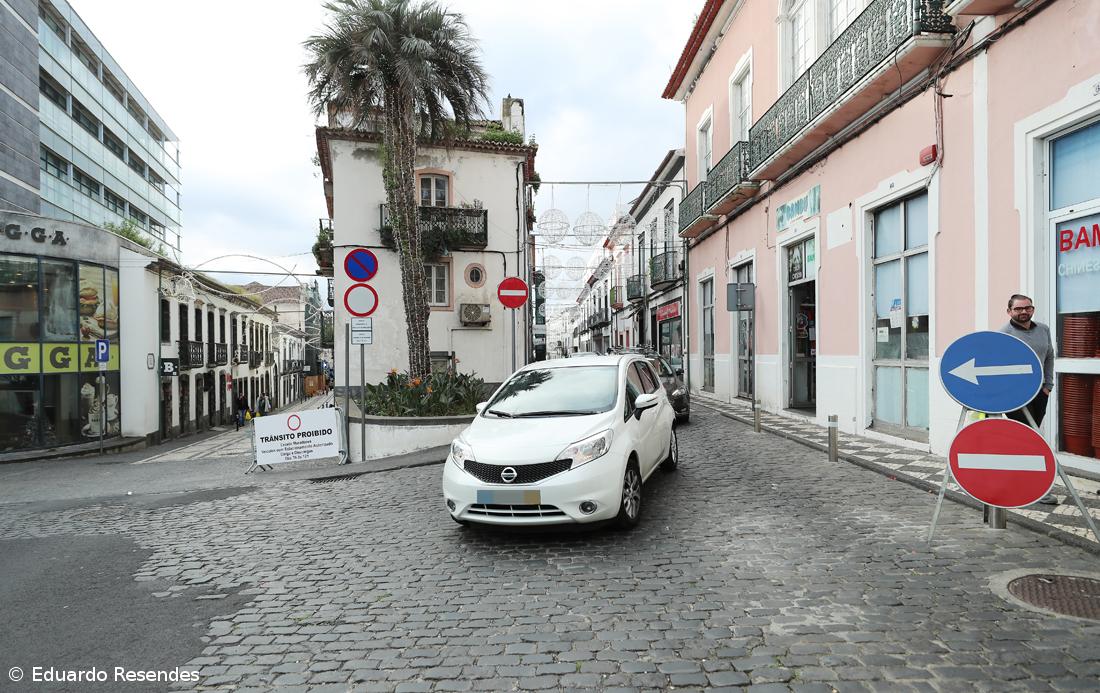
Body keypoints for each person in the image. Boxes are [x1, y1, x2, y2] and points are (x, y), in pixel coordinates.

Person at [999, 293, 1057, 505]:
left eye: (1028, 308)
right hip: (1015, 396)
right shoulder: (1003, 334)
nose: (1023, 312)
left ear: (1032, 309)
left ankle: (1015, 481)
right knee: (1029, 438)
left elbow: (1049, 356)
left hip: (1039, 393)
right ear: (1009, 312)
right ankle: (1036, 487)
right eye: (1018, 309)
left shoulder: (1043, 329)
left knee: (1025, 438)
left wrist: (1048, 385)